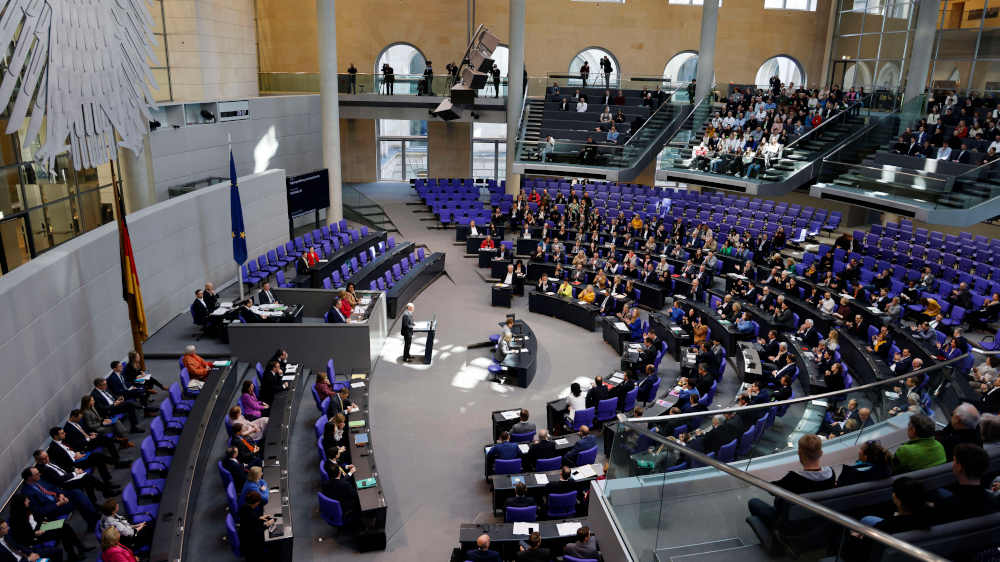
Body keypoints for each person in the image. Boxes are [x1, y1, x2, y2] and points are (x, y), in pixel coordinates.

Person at [746, 435, 835, 531]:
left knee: (753, 502)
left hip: (790, 525)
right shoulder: (831, 474)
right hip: (818, 521)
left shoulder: (792, 478)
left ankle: (775, 535)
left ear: (799, 453)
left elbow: (772, 490)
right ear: (821, 453)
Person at [10, 492, 88, 561]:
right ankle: (74, 554)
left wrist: (43, 522)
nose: (29, 501)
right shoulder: (16, 519)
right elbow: (23, 537)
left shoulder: (27, 508)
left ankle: (78, 548)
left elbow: (37, 517)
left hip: (41, 527)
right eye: (26, 500)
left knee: (65, 526)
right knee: (62, 532)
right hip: (34, 536)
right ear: (21, 503)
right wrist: (36, 533)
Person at [237, 491, 271, 562]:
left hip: (244, 535)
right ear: (255, 503)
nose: (258, 503)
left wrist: (260, 518)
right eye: (258, 502)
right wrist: (267, 525)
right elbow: (256, 532)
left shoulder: (244, 507)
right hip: (250, 544)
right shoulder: (251, 514)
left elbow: (251, 521)